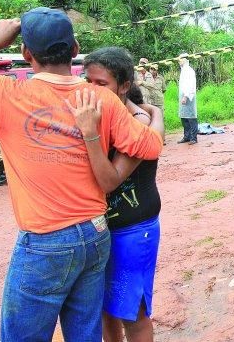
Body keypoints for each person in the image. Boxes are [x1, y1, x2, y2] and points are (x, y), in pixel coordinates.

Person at [0, 8, 164, 341]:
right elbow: (150, 145)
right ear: (75, 49)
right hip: (96, 233)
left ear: (26, 54)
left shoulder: (2, 93)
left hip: (45, 241)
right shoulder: (100, 99)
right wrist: (153, 113)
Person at [69, 47, 164, 342]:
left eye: (102, 84)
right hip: (101, 230)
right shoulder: (99, 114)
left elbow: (110, 180)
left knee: (132, 314)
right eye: (89, 81)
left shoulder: (139, 122)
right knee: (106, 311)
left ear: (123, 86)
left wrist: (89, 134)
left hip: (132, 231)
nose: (93, 90)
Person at [178, 54, 198, 145]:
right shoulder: (183, 71)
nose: (179, 61)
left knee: (191, 118)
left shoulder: (189, 71)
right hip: (183, 97)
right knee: (184, 118)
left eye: (180, 60)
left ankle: (193, 138)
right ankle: (187, 136)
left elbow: (190, 85)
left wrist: (185, 96)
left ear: (185, 60)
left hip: (189, 97)